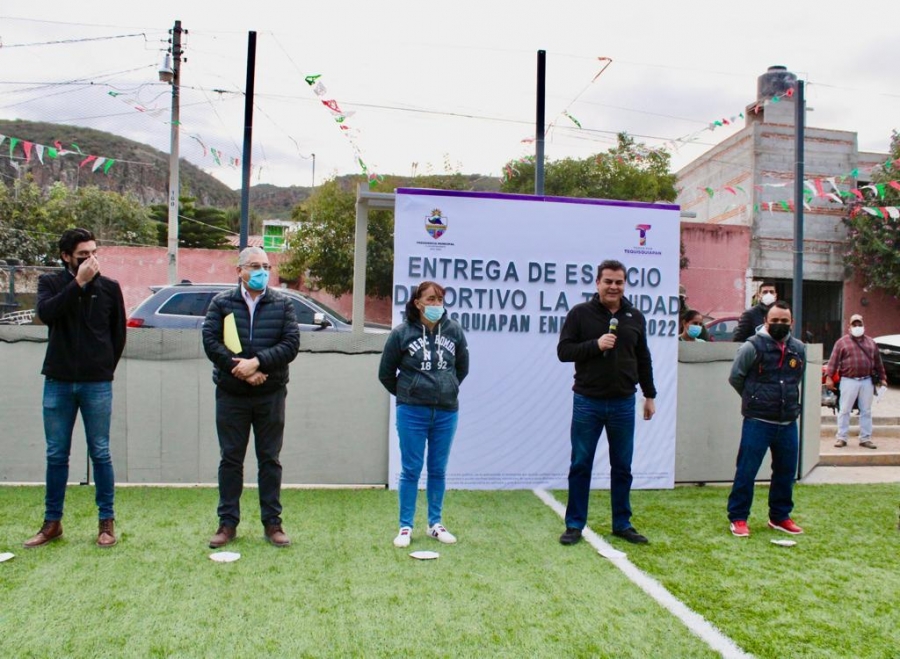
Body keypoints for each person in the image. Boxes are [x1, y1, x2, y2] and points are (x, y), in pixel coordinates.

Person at [24, 228, 126, 549]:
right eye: (83, 255)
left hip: (97, 383)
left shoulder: (109, 288)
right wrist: (78, 283)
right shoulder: (51, 283)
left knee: (101, 452)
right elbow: (47, 314)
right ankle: (52, 522)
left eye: (94, 253)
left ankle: (106, 522)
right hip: (58, 381)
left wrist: (103, 369)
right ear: (66, 256)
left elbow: (118, 335)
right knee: (56, 454)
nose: (91, 259)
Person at [202, 247, 300, 548]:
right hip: (232, 394)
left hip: (270, 394)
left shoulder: (283, 304)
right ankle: (227, 523)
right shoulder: (222, 303)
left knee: (269, 459)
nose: (262, 272)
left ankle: (273, 523)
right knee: (231, 458)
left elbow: (291, 344)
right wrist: (242, 371)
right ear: (240, 270)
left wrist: (257, 363)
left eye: (266, 266)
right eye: (255, 266)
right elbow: (211, 342)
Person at [557, 259, 657, 546]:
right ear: (597, 283)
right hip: (587, 401)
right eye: (608, 281)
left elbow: (643, 358)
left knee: (622, 466)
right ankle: (574, 525)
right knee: (581, 464)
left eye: (619, 282)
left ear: (624, 284)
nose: (614, 287)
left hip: (624, 402)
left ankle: (622, 524)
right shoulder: (580, 314)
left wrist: (649, 395)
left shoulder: (634, 316)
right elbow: (564, 351)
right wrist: (596, 345)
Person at [378, 281, 469, 548]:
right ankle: (405, 526)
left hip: (446, 412)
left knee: (438, 469)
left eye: (439, 299)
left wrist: (447, 388)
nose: (436, 304)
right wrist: (409, 393)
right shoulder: (401, 333)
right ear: (418, 303)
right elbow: (386, 373)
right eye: (430, 299)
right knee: (411, 469)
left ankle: (435, 524)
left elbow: (462, 368)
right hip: (412, 411)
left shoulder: (454, 331)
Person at [726, 301, 806, 538]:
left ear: (792, 322)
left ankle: (780, 517)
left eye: (784, 321)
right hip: (758, 421)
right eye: (775, 320)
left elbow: (796, 379)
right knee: (746, 471)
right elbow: (736, 377)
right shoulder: (751, 346)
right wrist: (754, 399)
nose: (780, 324)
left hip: (788, 422)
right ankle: (738, 517)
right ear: (766, 322)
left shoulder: (799, 348)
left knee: (785, 472)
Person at [825, 313, 888, 450]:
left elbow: (878, 362)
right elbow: (833, 361)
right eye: (855, 324)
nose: (857, 327)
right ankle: (842, 437)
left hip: (867, 380)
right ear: (849, 327)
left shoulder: (871, 343)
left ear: (864, 326)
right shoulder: (841, 343)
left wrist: (883, 378)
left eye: (860, 324)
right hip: (848, 380)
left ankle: (865, 438)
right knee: (844, 409)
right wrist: (829, 377)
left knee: (866, 410)